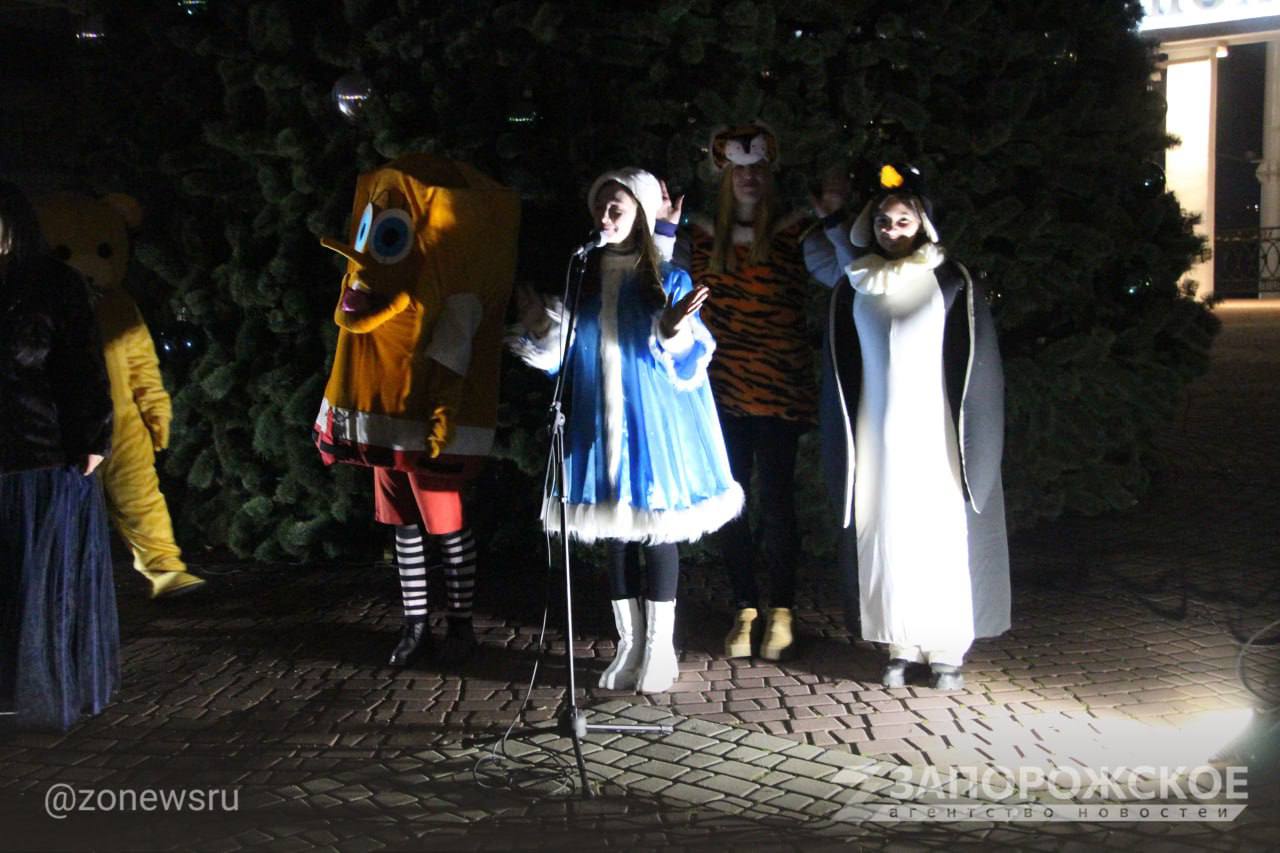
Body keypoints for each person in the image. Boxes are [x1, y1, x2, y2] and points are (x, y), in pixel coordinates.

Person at [509, 167, 743, 694]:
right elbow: (561, 355)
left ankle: (659, 648)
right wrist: (542, 324)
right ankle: (630, 642)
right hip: (597, 419)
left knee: (655, 531)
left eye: (617, 207)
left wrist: (673, 329)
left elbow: (690, 360)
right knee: (614, 536)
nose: (605, 215)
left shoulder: (665, 278)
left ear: (639, 213)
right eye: (600, 206)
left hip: (652, 426)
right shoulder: (586, 276)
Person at [808, 164, 1010, 690]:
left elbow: (977, 365)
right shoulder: (856, 286)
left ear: (921, 224)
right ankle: (898, 641)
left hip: (934, 434)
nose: (892, 230)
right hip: (876, 435)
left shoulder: (950, 281)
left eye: (902, 221)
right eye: (883, 222)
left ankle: (946, 646)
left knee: (938, 535)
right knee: (887, 534)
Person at [314, 154, 520, 669]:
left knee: (445, 527)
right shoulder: (375, 285)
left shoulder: (453, 286)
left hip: (427, 430)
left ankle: (460, 624)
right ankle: (415, 623)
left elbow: (453, 357)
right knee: (402, 525)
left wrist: (442, 420)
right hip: (384, 421)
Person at [661, 123, 816, 662]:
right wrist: (663, 228)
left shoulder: (796, 233)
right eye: (738, 171)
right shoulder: (702, 238)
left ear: (770, 175)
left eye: (757, 170)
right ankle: (745, 607)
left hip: (780, 387)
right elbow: (663, 277)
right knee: (731, 501)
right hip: (722, 387)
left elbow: (840, 269)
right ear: (724, 177)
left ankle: (783, 610)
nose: (748, 179)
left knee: (777, 502)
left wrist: (837, 220)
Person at [0, 179, 119, 730]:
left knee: (34, 585)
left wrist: (92, 438)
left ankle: (28, 691)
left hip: (36, 459)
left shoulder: (51, 283)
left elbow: (80, 366)